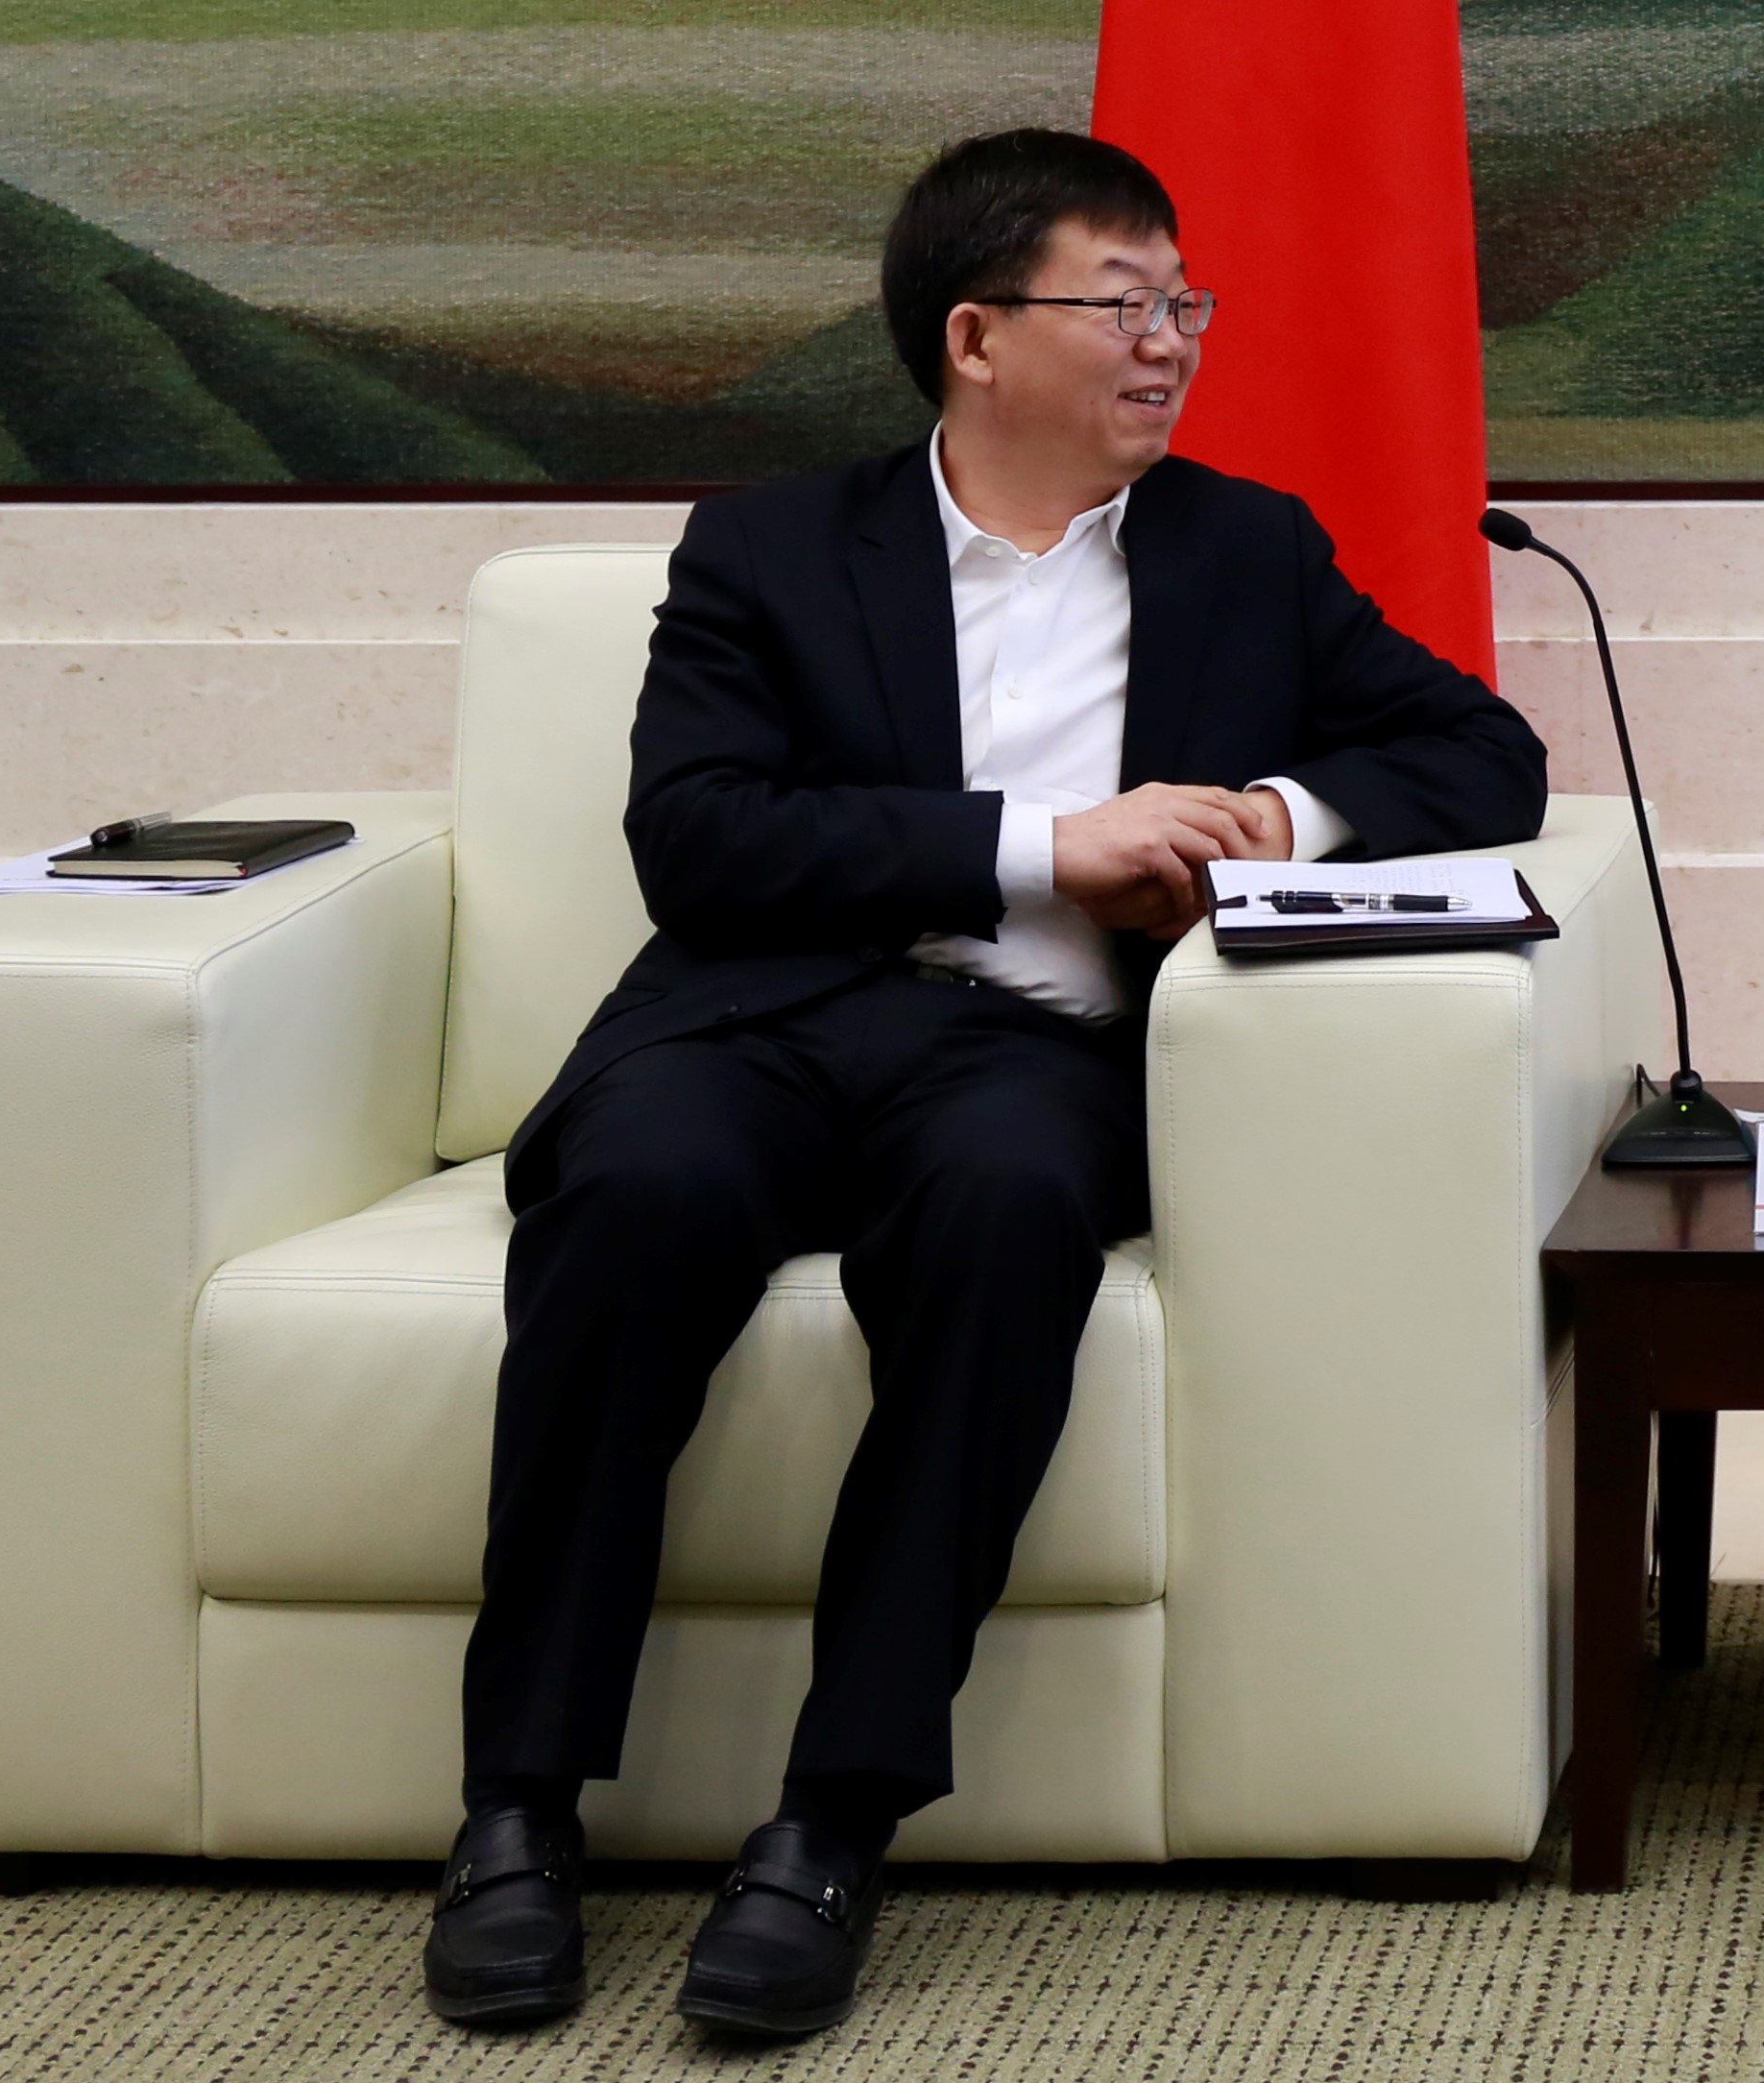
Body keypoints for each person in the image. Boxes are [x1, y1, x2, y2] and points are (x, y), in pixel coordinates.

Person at [423, 129, 1546, 2043]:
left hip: (1025, 1054)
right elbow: (698, 838)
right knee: (638, 1197)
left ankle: (830, 1822)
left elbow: (1480, 753)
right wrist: (1042, 844)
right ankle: (516, 1809)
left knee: (1007, 1211)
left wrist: (1275, 817)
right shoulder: (771, 547)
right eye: (1124, 303)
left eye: (1183, 304)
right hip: (752, 1026)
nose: (1170, 342)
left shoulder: (1245, 551)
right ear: (974, 335)